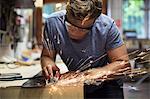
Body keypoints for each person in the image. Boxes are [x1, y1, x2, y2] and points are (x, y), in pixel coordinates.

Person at [41, 0, 129, 98]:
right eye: (70, 26)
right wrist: (48, 64)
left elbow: (123, 64)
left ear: (95, 20)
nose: (75, 33)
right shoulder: (53, 23)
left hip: (107, 85)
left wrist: (88, 75)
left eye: (83, 29)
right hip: (76, 84)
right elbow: (46, 56)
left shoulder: (107, 26)